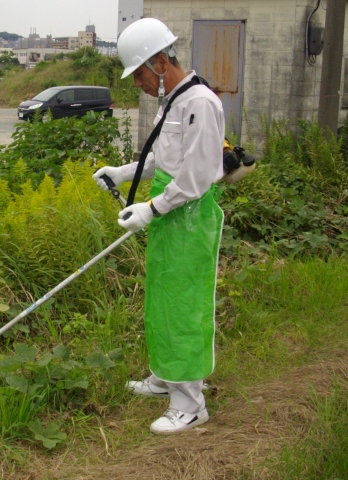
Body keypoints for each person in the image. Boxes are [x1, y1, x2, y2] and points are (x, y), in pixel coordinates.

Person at [93, 17, 225, 434]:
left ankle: (189, 402)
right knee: (162, 299)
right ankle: (165, 377)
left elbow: (197, 175)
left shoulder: (200, 102)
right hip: (170, 216)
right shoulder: (174, 101)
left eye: (139, 76)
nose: (138, 85)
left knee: (184, 303)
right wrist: (123, 173)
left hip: (188, 215)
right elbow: (162, 160)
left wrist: (152, 207)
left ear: (159, 62)